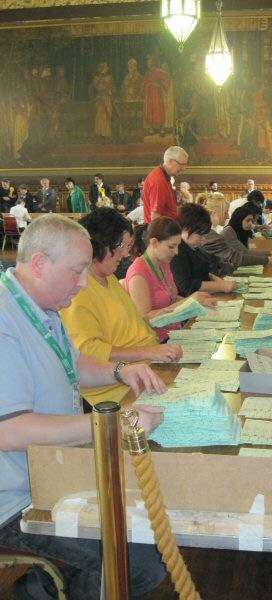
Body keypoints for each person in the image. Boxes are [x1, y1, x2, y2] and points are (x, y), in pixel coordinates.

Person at [0, 214, 168, 600]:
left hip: (54, 473)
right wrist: (109, 423)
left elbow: (73, 364)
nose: (82, 282)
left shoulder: (43, 306)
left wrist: (122, 370)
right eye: (76, 271)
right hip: (17, 498)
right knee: (140, 565)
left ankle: (42, 588)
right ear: (39, 264)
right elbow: (9, 431)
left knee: (148, 527)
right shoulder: (6, 321)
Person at [60, 208, 182, 406]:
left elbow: (131, 326)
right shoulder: (78, 290)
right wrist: (148, 353)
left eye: (128, 246)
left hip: (147, 367)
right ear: (100, 244)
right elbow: (88, 350)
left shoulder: (108, 276)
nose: (126, 253)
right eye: (122, 246)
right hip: (118, 388)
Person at [124, 217, 216, 342]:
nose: (176, 252)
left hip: (174, 334)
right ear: (154, 242)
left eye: (178, 246)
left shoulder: (164, 263)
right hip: (156, 341)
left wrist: (198, 303)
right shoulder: (138, 274)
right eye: (171, 246)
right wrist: (190, 300)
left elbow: (171, 298)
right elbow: (146, 319)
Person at [171, 203, 236, 297]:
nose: (204, 239)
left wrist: (220, 282)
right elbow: (186, 286)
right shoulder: (177, 251)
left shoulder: (193, 247)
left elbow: (203, 272)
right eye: (200, 235)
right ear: (186, 229)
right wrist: (220, 286)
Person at [221, 202, 272, 267]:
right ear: (239, 220)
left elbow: (247, 250)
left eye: (252, 221)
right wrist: (270, 256)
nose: (251, 224)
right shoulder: (228, 232)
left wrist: (270, 253)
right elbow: (244, 253)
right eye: (248, 220)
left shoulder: (241, 230)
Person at [143, 146, 187, 223]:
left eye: (185, 164)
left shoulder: (165, 176)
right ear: (170, 161)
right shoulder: (158, 180)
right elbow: (155, 217)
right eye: (181, 164)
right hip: (162, 233)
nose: (183, 168)